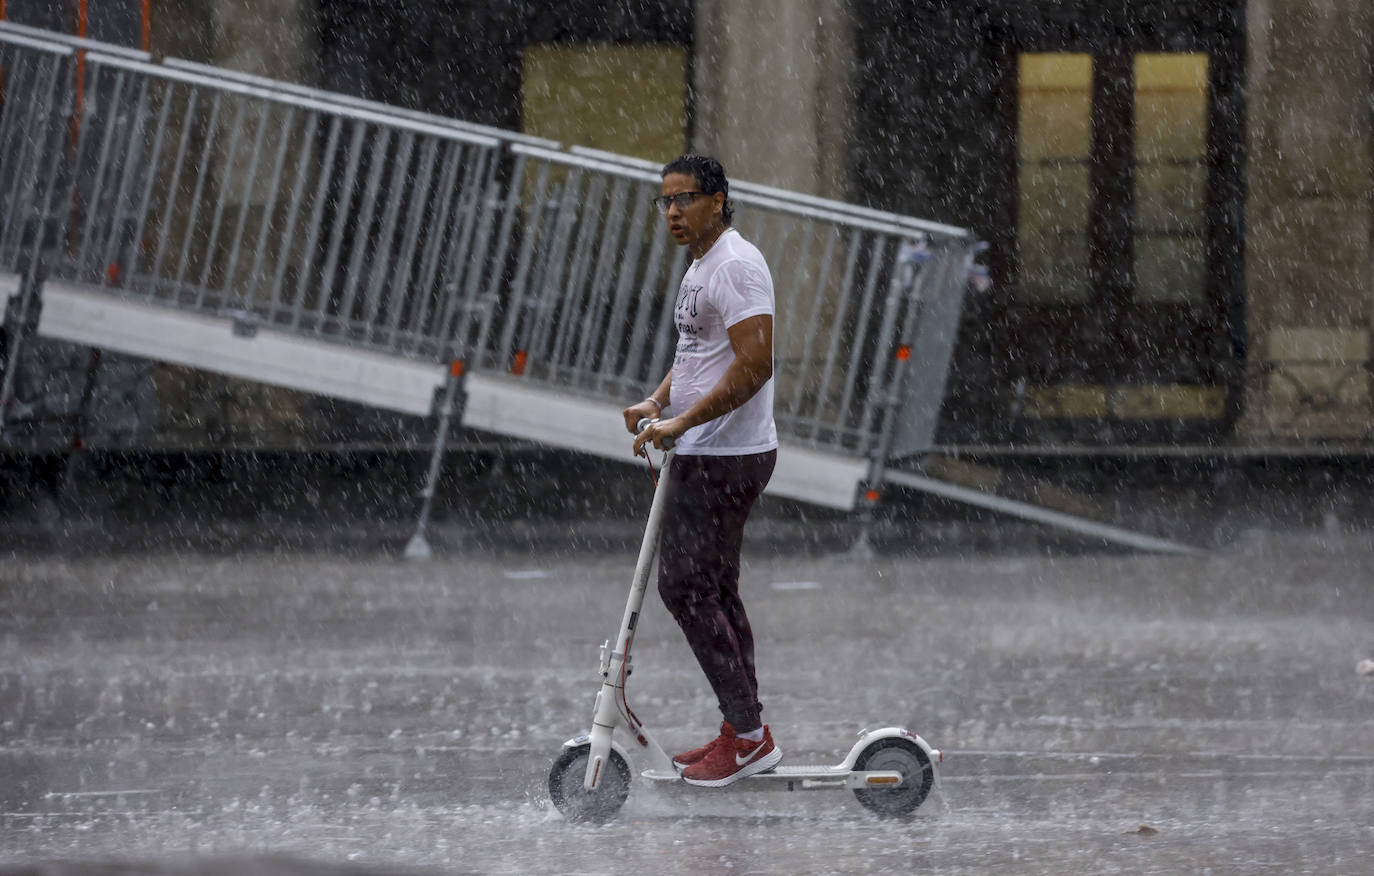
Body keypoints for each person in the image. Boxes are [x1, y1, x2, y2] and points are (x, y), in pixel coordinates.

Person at [623, 154, 781, 787]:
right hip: (702, 450)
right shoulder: (702, 265)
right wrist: (660, 402)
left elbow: (754, 364)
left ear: (718, 200)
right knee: (711, 589)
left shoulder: (737, 266)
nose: (673, 212)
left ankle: (747, 736)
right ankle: (743, 730)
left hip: (725, 455)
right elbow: (697, 352)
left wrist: (683, 425)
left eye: (685, 199)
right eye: (665, 201)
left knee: (686, 588)